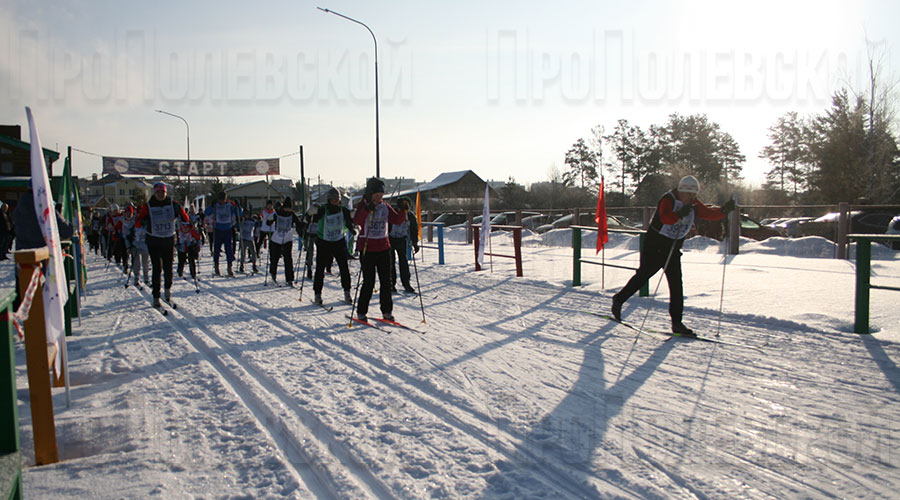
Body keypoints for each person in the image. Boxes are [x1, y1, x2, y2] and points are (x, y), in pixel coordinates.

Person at [610, 175, 735, 335]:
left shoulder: (693, 203)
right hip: (655, 246)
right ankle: (619, 299)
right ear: (681, 191)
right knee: (643, 276)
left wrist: (724, 210)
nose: (691, 198)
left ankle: (677, 323)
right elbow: (665, 218)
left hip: (673, 247)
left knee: (676, 285)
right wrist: (679, 214)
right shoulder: (668, 199)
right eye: (689, 195)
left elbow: (709, 214)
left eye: (694, 195)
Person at [353, 178, 407, 322]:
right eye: (376, 195)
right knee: (369, 282)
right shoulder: (363, 205)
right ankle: (361, 311)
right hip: (367, 249)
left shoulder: (385, 206)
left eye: (381, 195)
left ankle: (387, 311)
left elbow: (397, 220)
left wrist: (403, 209)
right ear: (370, 194)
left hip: (383, 248)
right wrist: (367, 209)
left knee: (386, 282)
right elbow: (357, 220)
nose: (379, 198)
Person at [134, 182, 190, 308]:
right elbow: (137, 222)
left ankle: (167, 290)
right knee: (157, 268)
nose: (161, 195)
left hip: (168, 240)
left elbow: (186, 219)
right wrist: (144, 221)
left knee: (168, 267)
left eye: (163, 192)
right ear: (155, 193)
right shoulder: (148, 206)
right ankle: (156, 295)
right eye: (158, 192)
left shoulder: (172, 204)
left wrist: (180, 212)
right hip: (154, 240)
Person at [312, 188, 356, 305]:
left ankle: (347, 292)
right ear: (329, 200)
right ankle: (317, 294)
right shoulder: (323, 210)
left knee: (344, 267)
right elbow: (313, 219)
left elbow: (349, 222)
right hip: (324, 241)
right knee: (320, 268)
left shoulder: (343, 210)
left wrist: (352, 229)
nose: (335, 201)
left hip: (338, 241)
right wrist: (309, 220)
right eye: (333, 199)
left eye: (337, 200)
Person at [204, 191, 242, 276]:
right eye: (220, 200)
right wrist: (211, 205)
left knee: (229, 249)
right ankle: (216, 266)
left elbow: (239, 213)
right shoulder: (216, 205)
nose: (222, 201)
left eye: (223, 199)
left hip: (227, 229)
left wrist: (238, 206)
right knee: (216, 249)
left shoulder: (229, 205)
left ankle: (229, 267)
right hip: (218, 229)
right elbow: (206, 212)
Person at [267, 197, 303, 286]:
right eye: (286, 207)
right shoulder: (278, 213)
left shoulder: (292, 214)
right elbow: (269, 223)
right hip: (277, 238)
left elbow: (298, 224)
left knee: (288, 258)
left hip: (287, 238)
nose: (287, 209)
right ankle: (273, 272)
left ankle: (290, 278)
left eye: (289, 208)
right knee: (275, 257)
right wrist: (270, 219)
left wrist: (301, 233)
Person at [388, 196, 420, 294]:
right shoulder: (392, 213)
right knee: (390, 262)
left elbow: (414, 229)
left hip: (402, 239)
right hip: (390, 239)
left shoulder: (410, 216)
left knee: (403, 261)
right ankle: (391, 284)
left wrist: (415, 242)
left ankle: (406, 283)